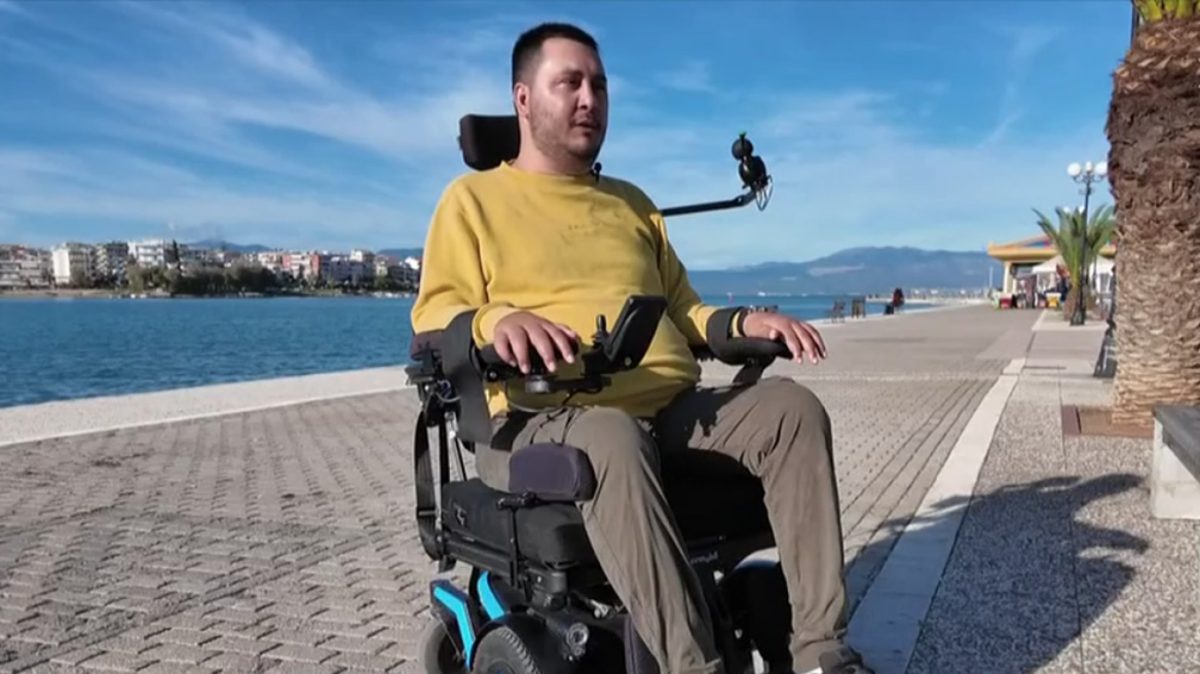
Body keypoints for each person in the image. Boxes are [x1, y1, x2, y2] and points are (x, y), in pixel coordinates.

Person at [410, 21, 872, 674]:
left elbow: (685, 311)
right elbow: (434, 318)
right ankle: (693, 666)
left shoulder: (632, 204)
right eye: (569, 82)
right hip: (537, 418)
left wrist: (745, 322)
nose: (589, 98)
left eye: (599, 85)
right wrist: (495, 321)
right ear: (523, 99)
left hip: (667, 408)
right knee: (611, 435)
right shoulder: (471, 202)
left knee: (791, 411)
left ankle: (822, 652)